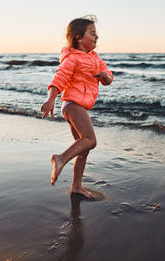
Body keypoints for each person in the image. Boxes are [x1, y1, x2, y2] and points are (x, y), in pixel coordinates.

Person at [41, 16, 113, 198]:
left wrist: (105, 76)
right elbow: (60, 77)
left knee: (83, 148)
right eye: (92, 33)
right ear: (78, 37)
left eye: (96, 34)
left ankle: (76, 186)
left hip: (77, 106)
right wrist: (51, 99)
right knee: (90, 139)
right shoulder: (71, 58)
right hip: (73, 105)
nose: (97, 37)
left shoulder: (95, 58)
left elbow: (109, 76)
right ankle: (61, 158)